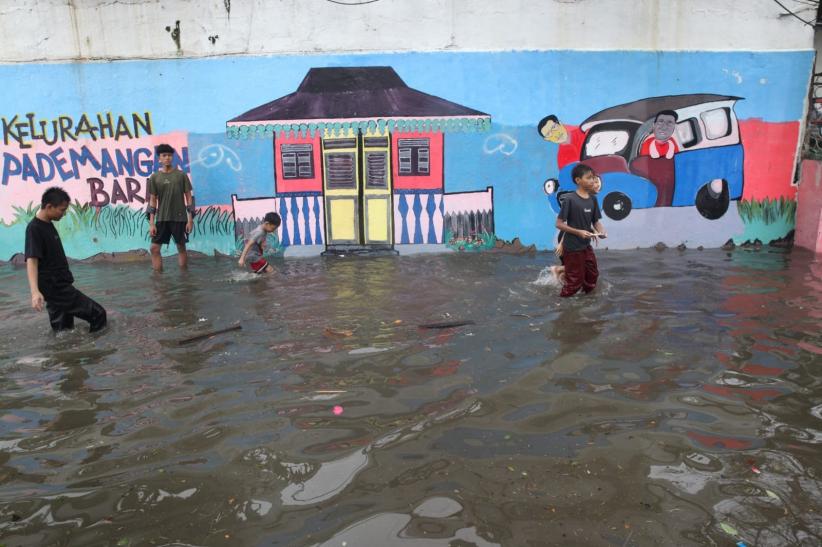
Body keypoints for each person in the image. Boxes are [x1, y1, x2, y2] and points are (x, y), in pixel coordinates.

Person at [25, 187, 107, 332]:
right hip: (56, 287)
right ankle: (96, 351)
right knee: (98, 314)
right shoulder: (35, 228)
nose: (63, 214)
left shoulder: (48, 224)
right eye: (62, 210)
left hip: (57, 285)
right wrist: (34, 292)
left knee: (64, 330)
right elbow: (32, 260)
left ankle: (65, 353)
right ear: (49, 206)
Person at [555, 164, 606, 297]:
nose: (592, 181)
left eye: (593, 178)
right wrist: (578, 232)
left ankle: (585, 299)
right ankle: (563, 303)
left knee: (593, 274)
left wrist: (601, 232)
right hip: (572, 247)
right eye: (588, 178)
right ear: (578, 180)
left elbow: (596, 222)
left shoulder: (593, 200)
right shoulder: (570, 199)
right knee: (574, 280)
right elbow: (559, 224)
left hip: (585, 246)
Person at [147, 143, 194, 272]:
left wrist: (190, 220)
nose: (167, 158)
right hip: (162, 218)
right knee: (154, 248)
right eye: (164, 155)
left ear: (172, 157)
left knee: (181, 247)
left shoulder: (181, 175)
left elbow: (189, 198)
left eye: (169, 155)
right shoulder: (155, 177)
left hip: (179, 218)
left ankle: (184, 277)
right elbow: (152, 200)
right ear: (159, 159)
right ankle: (158, 278)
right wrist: (152, 223)